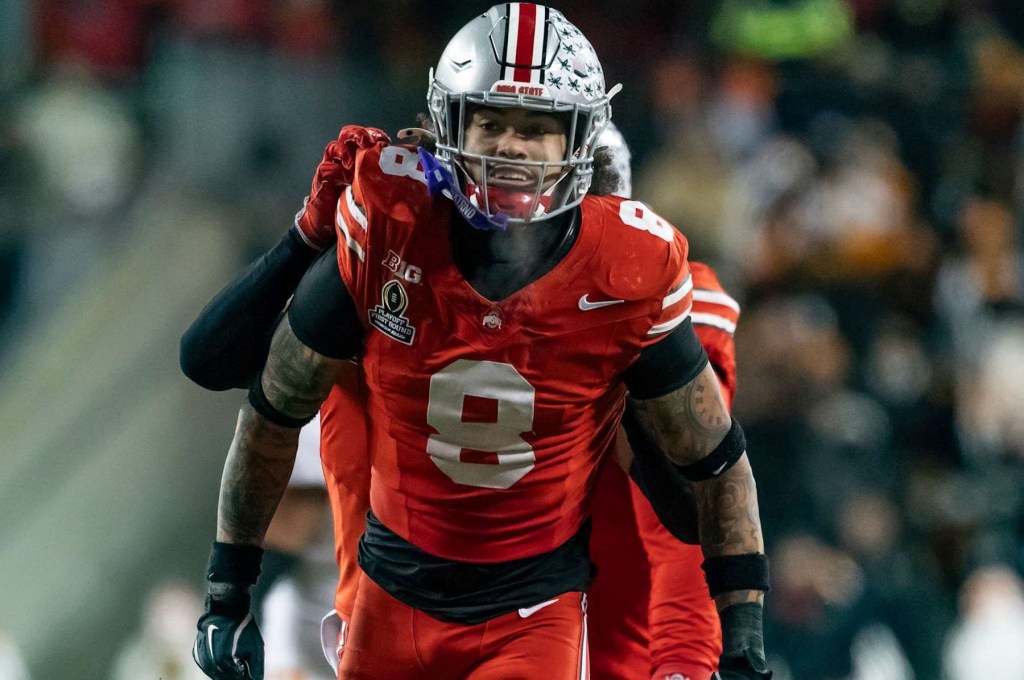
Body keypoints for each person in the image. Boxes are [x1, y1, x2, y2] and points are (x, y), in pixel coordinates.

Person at [185, 5, 770, 679]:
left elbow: (696, 501)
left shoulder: (640, 281)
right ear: (447, 131)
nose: (511, 151)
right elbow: (229, 374)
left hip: (549, 608)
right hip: (385, 590)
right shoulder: (395, 227)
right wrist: (307, 236)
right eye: (491, 124)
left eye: (538, 130)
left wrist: (700, 654)